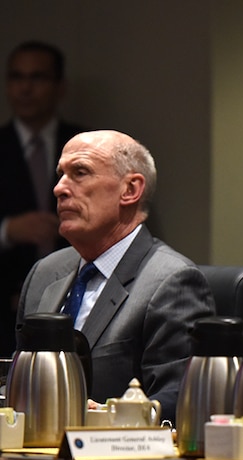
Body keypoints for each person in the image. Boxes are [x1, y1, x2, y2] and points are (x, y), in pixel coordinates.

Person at [17, 130, 215, 422]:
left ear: (130, 190)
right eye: (60, 175)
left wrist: (108, 416)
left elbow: (182, 401)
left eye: (80, 172)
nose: (59, 188)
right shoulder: (44, 274)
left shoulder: (172, 282)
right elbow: (18, 382)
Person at [0, 41, 87, 355]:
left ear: (59, 86)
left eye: (37, 78)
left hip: (74, 304)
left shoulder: (87, 146)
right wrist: (8, 230)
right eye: (16, 77)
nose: (25, 88)